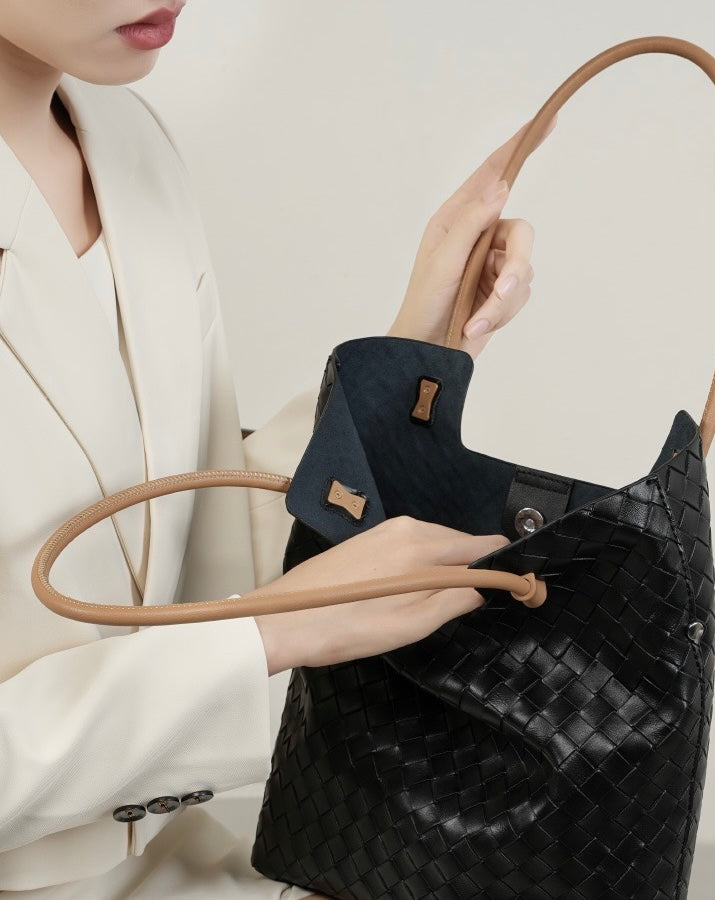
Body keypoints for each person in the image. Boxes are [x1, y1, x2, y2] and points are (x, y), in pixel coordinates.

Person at [0, 1, 556, 897]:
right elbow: (241, 614)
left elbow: (193, 542)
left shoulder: (127, 143)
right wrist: (277, 629)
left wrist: (420, 348)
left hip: (176, 863)